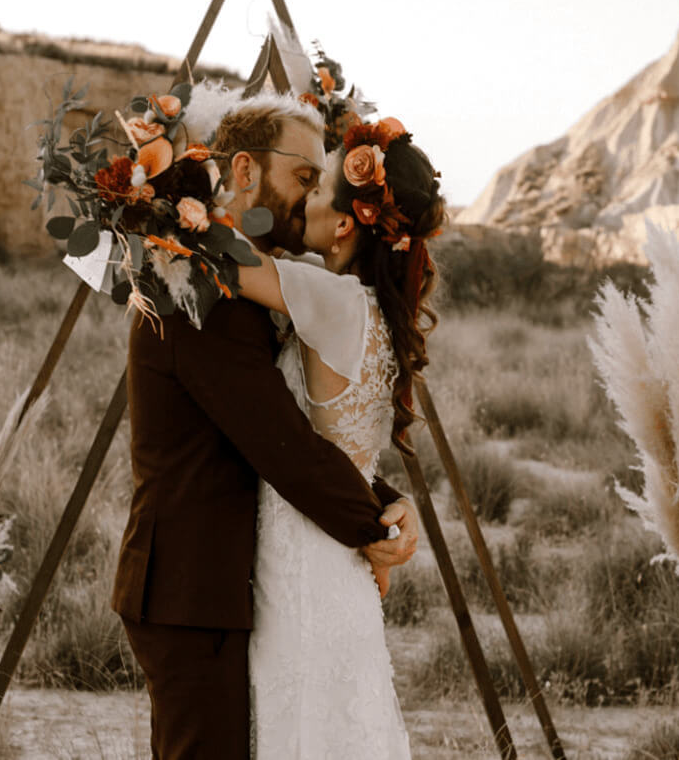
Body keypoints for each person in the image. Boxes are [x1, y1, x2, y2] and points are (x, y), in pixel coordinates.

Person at [111, 91, 420, 760]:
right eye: (304, 176)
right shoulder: (197, 293)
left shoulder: (248, 287)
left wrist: (386, 501)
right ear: (246, 170)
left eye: (318, 182)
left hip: (226, 589)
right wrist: (376, 528)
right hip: (192, 588)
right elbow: (284, 448)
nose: (310, 197)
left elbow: (304, 428)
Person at [225, 113, 446, 758]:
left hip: (302, 560)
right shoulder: (373, 311)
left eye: (316, 189)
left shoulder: (334, 300)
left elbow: (222, 257)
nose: (304, 202)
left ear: (347, 224)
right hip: (344, 566)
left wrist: (161, 197)